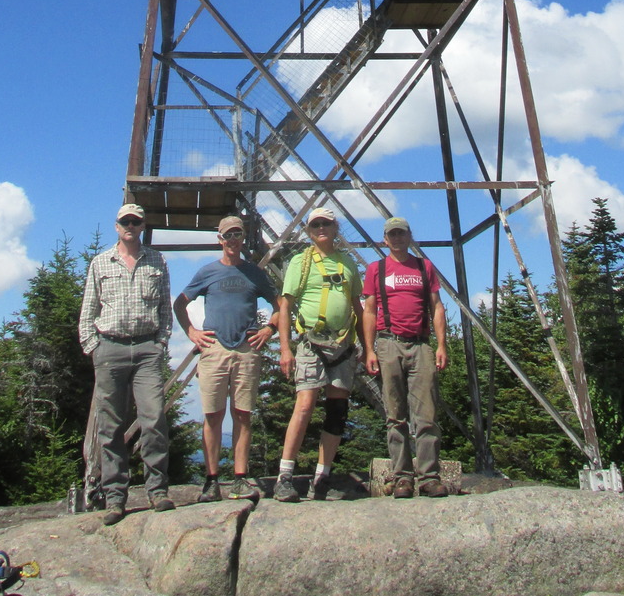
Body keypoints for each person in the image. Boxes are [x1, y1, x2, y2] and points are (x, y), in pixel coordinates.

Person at [78, 201, 176, 524]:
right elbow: (88, 311)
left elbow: (165, 308)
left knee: (153, 418)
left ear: (142, 226)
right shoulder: (99, 263)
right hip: (110, 350)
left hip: (147, 350)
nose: (130, 227)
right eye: (125, 222)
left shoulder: (157, 261)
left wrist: (160, 342)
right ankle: (115, 496)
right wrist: (95, 348)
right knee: (110, 426)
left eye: (135, 221)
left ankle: (157, 490)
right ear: (117, 227)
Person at [174, 215, 280, 502]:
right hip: (215, 348)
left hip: (246, 349)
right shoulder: (207, 272)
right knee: (212, 414)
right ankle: (211, 481)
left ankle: (240, 479)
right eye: (228, 235)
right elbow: (179, 303)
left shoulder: (255, 273)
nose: (233, 240)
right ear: (220, 240)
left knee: (243, 414)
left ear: (243, 238)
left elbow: (280, 304)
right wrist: (192, 332)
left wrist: (269, 329)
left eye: (238, 234)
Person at [273, 206, 364, 502]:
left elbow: (358, 307)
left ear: (336, 228)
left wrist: (368, 347)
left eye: (326, 224)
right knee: (305, 405)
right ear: (309, 231)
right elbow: (284, 306)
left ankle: (321, 479)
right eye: (315, 225)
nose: (320, 229)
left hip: (343, 346)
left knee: (337, 411)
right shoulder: (300, 262)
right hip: (312, 343)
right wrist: (286, 349)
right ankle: (284, 476)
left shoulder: (347, 263)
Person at [362, 216, 449, 498]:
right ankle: (402, 477)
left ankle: (429, 477)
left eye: (402, 233)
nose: (397, 238)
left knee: (427, 414)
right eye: (392, 235)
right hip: (388, 344)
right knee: (395, 415)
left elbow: (437, 306)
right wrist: (370, 349)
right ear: (385, 240)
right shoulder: (376, 269)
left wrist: (441, 345)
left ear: (410, 236)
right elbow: (369, 310)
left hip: (421, 344)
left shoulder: (424, 267)